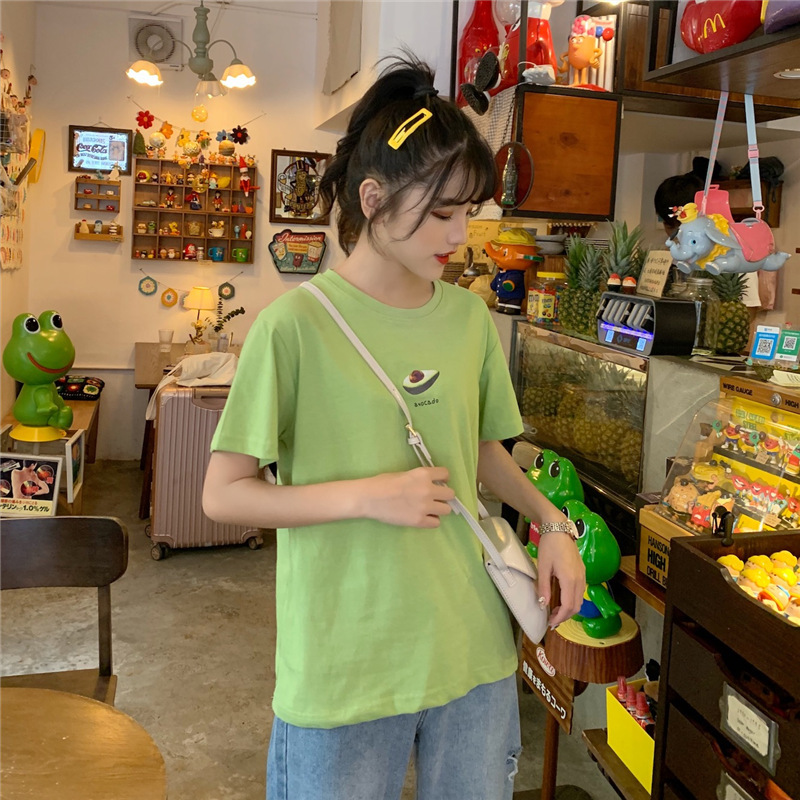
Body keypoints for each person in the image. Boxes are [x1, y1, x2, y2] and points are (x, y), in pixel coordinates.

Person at [203, 54, 585, 800]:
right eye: (441, 214)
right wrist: (368, 496)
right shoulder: (293, 328)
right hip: (346, 663)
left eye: (469, 212)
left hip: (470, 649)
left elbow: (481, 450)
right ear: (373, 199)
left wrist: (552, 523)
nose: (460, 233)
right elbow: (224, 494)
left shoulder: (468, 318)